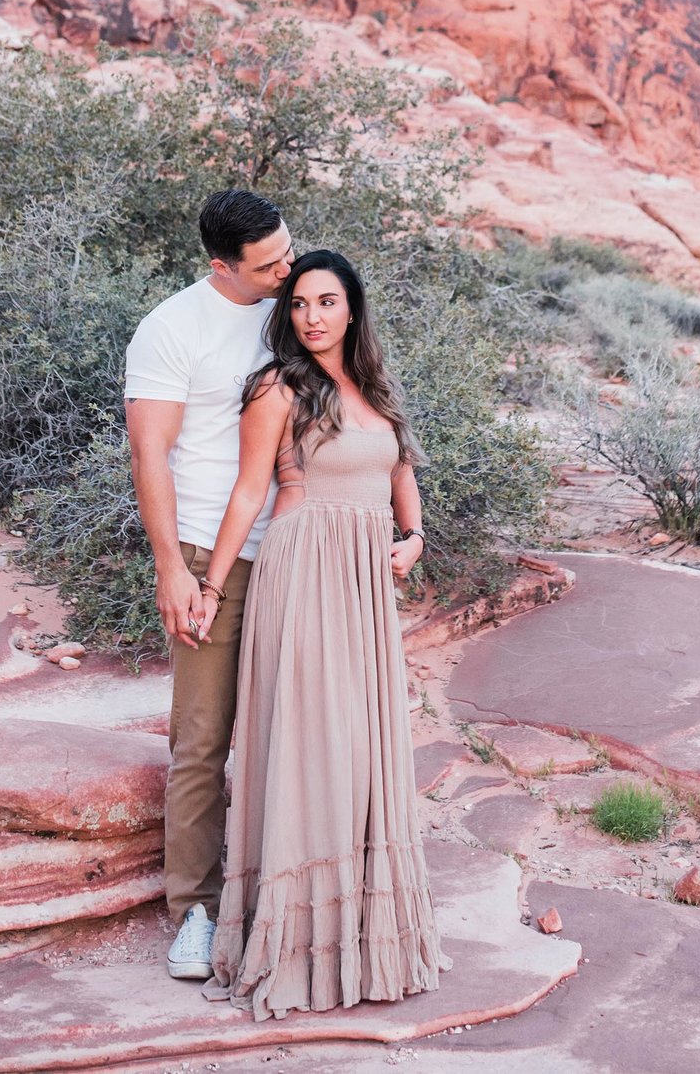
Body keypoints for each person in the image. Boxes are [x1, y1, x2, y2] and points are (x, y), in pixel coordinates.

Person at [196, 247, 441, 1019]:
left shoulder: (374, 388)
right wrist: (207, 584)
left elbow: (399, 467)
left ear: (352, 308)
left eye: (327, 302)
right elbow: (246, 493)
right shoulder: (277, 387)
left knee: (366, 749)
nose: (312, 316)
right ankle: (301, 950)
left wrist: (414, 535)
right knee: (314, 741)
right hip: (304, 573)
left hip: (366, 583)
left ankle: (368, 944)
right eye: (300, 304)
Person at [124, 187, 294, 983]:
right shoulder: (171, 329)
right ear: (220, 266)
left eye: (288, 251)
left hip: (297, 547)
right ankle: (195, 909)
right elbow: (149, 455)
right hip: (203, 551)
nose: (285, 270)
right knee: (202, 738)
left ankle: (288, 899)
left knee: (290, 731)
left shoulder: (295, 308)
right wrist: (171, 568)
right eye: (267, 264)